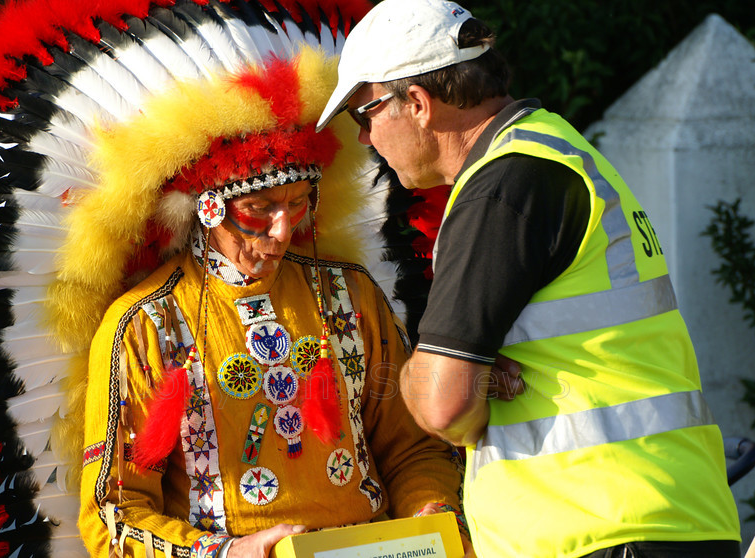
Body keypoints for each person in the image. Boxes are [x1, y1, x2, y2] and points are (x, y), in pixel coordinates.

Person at [316, 0, 742, 557]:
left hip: (602, 531)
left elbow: (441, 403)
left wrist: (422, 377)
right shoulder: (554, 151)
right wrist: (475, 372)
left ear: (417, 103)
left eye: (363, 112)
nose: (366, 139)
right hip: (656, 516)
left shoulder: (502, 187)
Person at [76, 4, 483, 556]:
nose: (283, 230)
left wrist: (428, 509)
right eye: (260, 209)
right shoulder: (146, 324)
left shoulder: (350, 293)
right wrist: (229, 553)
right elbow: (113, 515)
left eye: (297, 205)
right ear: (209, 209)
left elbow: (412, 448)